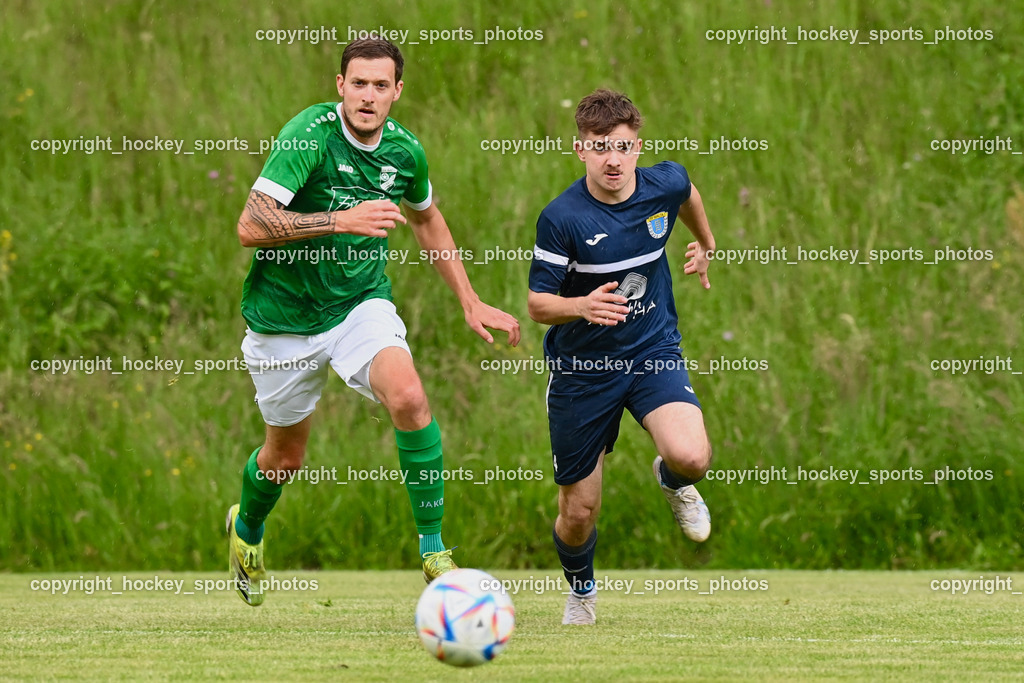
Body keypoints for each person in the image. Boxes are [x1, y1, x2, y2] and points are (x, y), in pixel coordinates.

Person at [227, 36, 520, 607]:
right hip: (283, 319)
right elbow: (251, 224)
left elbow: (426, 218)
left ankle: (434, 550)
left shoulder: (406, 152)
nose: (368, 95)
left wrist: (469, 298)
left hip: (359, 304)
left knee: (409, 396)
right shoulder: (308, 133)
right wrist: (341, 219)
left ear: (397, 92)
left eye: (380, 85)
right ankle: (248, 528)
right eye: (357, 83)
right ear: (340, 87)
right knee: (284, 459)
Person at [527, 89, 715, 625]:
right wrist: (581, 305)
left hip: (651, 349)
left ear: (639, 146)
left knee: (693, 456)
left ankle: (673, 482)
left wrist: (706, 243)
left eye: (625, 146)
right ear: (580, 149)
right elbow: (538, 303)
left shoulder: (663, 182)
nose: (614, 159)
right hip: (583, 373)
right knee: (579, 513)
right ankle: (582, 591)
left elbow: (688, 193)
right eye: (600, 146)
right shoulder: (561, 218)